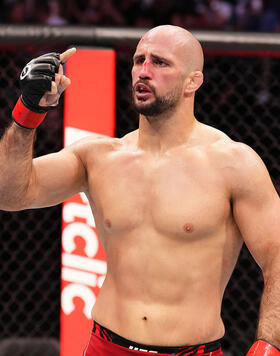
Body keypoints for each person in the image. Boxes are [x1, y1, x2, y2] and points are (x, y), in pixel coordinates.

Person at [0, 25, 279, 356]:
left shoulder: (233, 164)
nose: (144, 72)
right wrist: (27, 114)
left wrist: (268, 347)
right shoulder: (99, 157)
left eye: (160, 63)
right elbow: (10, 194)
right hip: (105, 346)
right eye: (138, 60)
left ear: (193, 81)